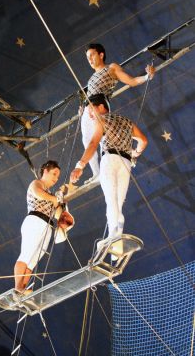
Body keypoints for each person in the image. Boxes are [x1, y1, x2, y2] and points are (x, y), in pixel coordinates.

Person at [71, 93, 148, 242]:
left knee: (111, 201)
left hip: (110, 160)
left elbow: (93, 144)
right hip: (126, 163)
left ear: (101, 106)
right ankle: (115, 242)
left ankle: (113, 238)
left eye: (91, 110)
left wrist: (80, 166)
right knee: (118, 203)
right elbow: (143, 141)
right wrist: (135, 154)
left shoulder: (102, 120)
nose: (90, 115)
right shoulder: (127, 121)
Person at [81, 43, 155, 183]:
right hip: (88, 109)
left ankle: (110, 165)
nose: (89, 59)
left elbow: (131, 81)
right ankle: (96, 173)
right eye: (87, 57)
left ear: (101, 55)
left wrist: (147, 77)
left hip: (99, 107)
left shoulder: (111, 68)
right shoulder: (90, 79)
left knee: (101, 138)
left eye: (92, 55)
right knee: (86, 141)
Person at [14, 160, 61, 295]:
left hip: (47, 226)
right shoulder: (37, 183)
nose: (55, 178)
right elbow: (39, 193)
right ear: (45, 171)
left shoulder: (52, 194)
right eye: (54, 174)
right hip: (35, 221)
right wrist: (54, 200)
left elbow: (57, 214)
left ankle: (22, 288)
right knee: (26, 255)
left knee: (32, 261)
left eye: (57, 176)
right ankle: (18, 288)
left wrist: (60, 201)